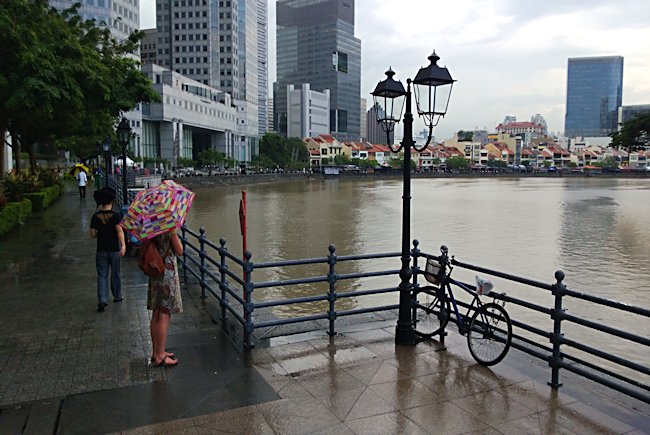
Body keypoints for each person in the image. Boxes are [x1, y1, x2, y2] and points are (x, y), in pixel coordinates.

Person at [147, 229, 183, 367]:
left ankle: (156, 352)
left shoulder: (150, 225)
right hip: (167, 271)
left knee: (156, 312)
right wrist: (175, 234)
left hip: (155, 269)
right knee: (164, 312)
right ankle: (161, 355)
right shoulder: (168, 226)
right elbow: (179, 250)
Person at [90, 188, 126, 312]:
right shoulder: (115, 216)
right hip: (114, 250)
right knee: (115, 274)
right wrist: (123, 245)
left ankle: (102, 300)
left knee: (102, 275)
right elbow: (119, 231)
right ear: (112, 201)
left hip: (101, 250)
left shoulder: (95, 216)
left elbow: (93, 234)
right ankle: (117, 296)